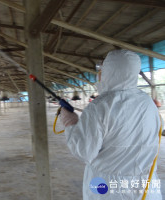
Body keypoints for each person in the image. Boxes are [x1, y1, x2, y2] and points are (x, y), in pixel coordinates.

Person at [60, 49, 162, 200]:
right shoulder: (147, 102)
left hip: (108, 187)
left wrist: (70, 123)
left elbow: (84, 151)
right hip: (146, 186)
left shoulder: (100, 106)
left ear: (108, 71)